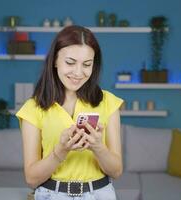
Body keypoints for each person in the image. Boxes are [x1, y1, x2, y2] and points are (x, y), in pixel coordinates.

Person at [16, 25, 123, 200]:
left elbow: (116, 171)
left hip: (100, 194)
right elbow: (31, 178)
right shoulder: (33, 108)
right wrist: (61, 150)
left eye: (87, 64)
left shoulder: (108, 102)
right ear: (55, 61)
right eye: (70, 62)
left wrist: (98, 146)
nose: (78, 73)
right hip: (51, 195)